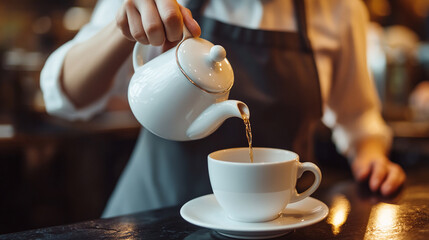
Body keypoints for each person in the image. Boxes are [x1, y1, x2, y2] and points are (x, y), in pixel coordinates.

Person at [40, 0, 406, 218]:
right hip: (151, 217)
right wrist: (121, 30)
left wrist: (370, 155)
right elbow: (65, 97)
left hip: (278, 222)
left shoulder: (338, 8)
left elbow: (358, 117)